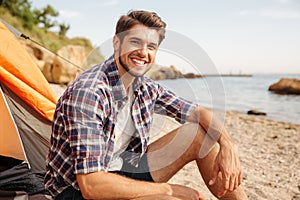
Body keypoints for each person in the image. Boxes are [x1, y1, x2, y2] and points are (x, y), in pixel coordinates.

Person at [44, 10, 248, 200]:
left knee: (199, 134)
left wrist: (229, 145)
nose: (143, 52)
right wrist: (168, 189)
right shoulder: (89, 92)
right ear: (117, 43)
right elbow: (91, 185)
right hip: (77, 191)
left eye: (151, 47)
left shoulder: (144, 87)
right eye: (135, 42)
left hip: (120, 170)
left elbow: (198, 112)